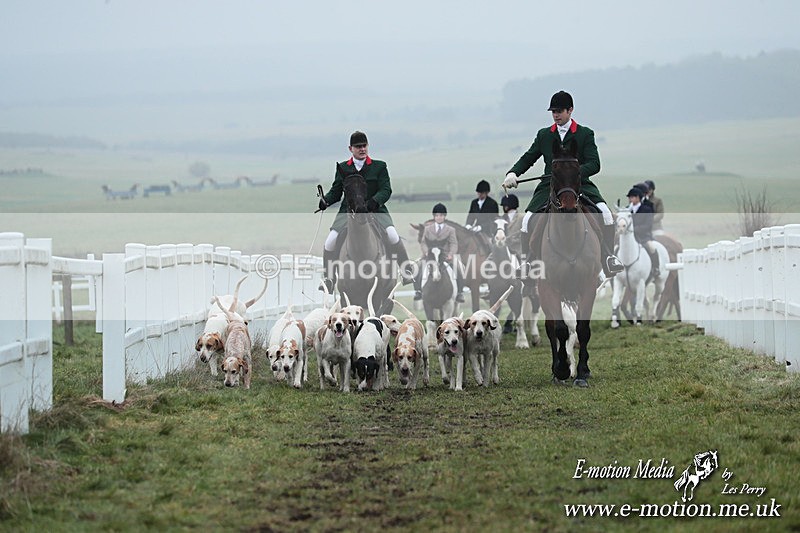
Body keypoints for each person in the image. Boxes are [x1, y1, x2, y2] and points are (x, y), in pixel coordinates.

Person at [502, 90, 623, 280]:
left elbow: (594, 163)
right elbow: (529, 157)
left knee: (606, 215)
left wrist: (573, 174)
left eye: (559, 111)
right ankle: (527, 262)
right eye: (553, 112)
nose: (556, 115)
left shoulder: (585, 133)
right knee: (526, 221)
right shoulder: (544, 135)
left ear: (570, 110)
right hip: (550, 186)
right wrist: (513, 173)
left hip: (579, 185)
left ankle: (609, 257)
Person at [317, 131, 413, 293]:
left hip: (375, 211)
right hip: (348, 213)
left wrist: (373, 202)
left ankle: (406, 271)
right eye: (358, 146)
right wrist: (326, 200)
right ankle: (329, 279)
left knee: (392, 235)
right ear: (350, 148)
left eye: (364, 146)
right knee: (330, 241)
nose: (362, 149)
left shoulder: (379, 166)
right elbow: (336, 191)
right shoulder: (343, 168)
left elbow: (386, 189)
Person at [414, 203, 462, 302]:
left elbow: (454, 244)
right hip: (430, 256)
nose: (439, 217)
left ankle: (460, 293)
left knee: (458, 268)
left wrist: (451, 254)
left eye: (441, 215)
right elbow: (423, 242)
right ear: (434, 217)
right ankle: (418, 290)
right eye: (437, 215)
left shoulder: (450, 230)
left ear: (444, 216)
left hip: (445, 256)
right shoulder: (427, 229)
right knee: (418, 267)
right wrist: (426, 252)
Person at [626, 187, 660, 277]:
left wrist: (634, 229)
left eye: (632, 197)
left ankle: (656, 268)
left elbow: (648, 225)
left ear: (638, 198)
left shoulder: (646, 209)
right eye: (629, 197)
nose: (630, 199)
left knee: (652, 248)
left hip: (644, 236)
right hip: (630, 237)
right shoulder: (627, 210)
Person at [499, 193, 523, 258]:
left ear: (506, 207)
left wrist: (509, 239)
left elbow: (523, 235)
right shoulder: (501, 219)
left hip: (519, 252)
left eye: (503, 206)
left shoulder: (522, 218)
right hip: (504, 253)